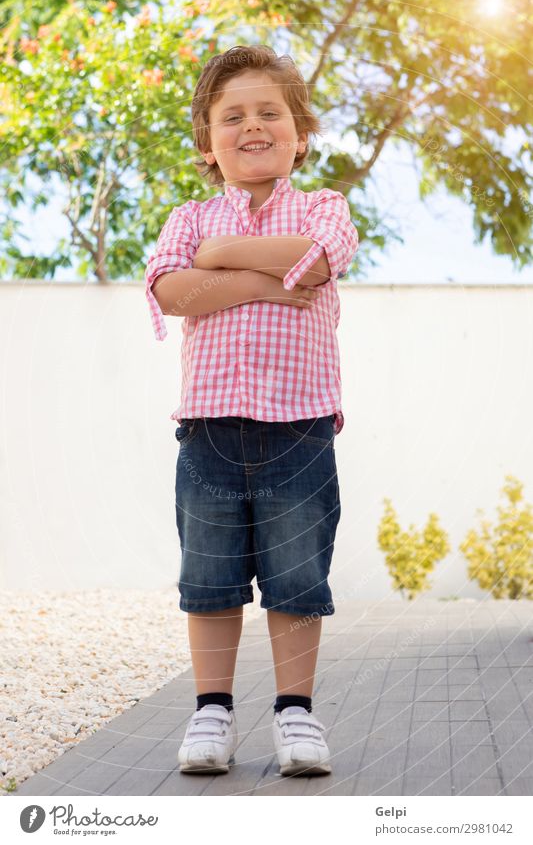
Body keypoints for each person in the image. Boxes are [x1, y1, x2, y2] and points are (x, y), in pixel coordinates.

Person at [144, 44, 359, 777]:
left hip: (299, 429)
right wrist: (265, 282)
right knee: (209, 576)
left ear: (300, 133)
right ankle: (212, 709)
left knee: (297, 578)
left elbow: (316, 256)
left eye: (270, 112)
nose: (252, 125)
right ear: (207, 141)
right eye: (232, 115)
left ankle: (295, 715)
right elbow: (172, 292)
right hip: (207, 427)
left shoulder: (324, 207)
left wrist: (220, 257)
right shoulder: (186, 215)